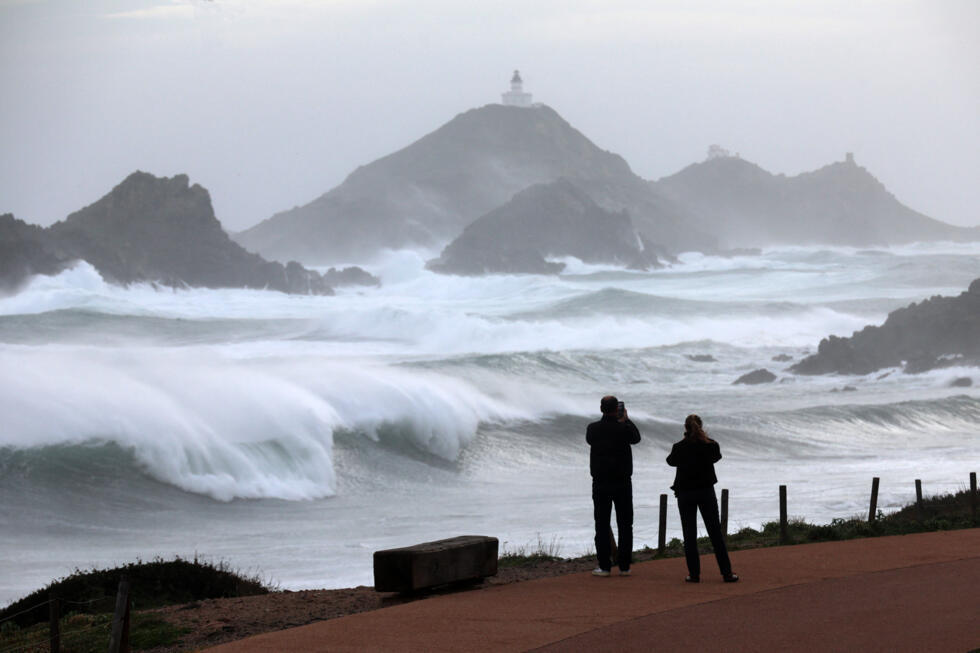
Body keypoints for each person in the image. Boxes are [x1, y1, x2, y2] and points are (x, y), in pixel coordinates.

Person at [666, 414, 739, 583]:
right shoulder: (711, 446)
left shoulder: (679, 447)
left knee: (689, 534)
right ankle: (727, 573)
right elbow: (717, 457)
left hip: (685, 494)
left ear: (685, 428)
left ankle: (694, 574)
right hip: (706, 492)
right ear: (701, 426)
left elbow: (671, 461)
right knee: (715, 533)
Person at [586, 395, 641, 576]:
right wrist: (626, 420)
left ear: (601, 409)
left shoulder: (593, 429)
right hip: (622, 482)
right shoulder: (623, 428)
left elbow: (591, 440)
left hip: (601, 483)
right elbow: (636, 438)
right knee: (625, 524)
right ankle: (624, 567)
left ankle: (604, 566)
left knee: (601, 524)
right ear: (617, 410)